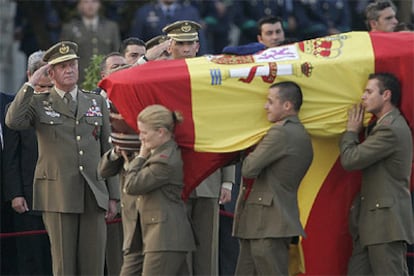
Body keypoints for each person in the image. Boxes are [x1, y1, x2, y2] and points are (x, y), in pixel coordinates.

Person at [5, 41, 119, 275]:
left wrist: (113, 195)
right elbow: (13, 121)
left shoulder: (95, 102)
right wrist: (31, 83)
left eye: (73, 65)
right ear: (51, 72)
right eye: (62, 66)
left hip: (93, 192)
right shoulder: (39, 102)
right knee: (64, 265)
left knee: (93, 264)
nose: (69, 70)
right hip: (58, 194)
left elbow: (108, 151)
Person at [163, 20, 235, 275]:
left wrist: (227, 180)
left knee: (207, 251)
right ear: (169, 46)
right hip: (172, 176)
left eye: (190, 43)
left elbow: (224, 127)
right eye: (179, 43)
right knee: (177, 251)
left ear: (197, 46)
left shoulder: (211, 76)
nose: (185, 49)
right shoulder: (158, 77)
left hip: (207, 175)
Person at [232, 81, 313, 275]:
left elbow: (249, 169)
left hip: (267, 221)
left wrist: (250, 147)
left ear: (287, 105)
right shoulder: (298, 132)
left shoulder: (280, 132)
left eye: (270, 101)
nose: (265, 106)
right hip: (267, 221)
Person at [339, 73, 414, 275]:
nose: (363, 97)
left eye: (369, 91)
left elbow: (350, 159)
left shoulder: (390, 129)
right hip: (371, 223)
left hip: (385, 225)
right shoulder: (380, 126)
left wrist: (351, 132)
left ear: (386, 95)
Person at [122, 104, 196, 274]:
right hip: (152, 235)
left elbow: (132, 186)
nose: (141, 138)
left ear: (161, 132)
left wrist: (140, 156)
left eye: (145, 133)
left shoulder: (165, 160)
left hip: (165, 237)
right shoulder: (160, 153)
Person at [2, 50, 53, 276]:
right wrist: (15, 194)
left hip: (58, 195)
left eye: (50, 87)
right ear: (30, 77)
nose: (45, 93)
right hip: (28, 196)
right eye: (41, 87)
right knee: (30, 257)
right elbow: (11, 157)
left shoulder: (64, 107)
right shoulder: (15, 110)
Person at [60, 0, 121, 86]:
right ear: (79, 5)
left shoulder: (111, 27)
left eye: (94, 1)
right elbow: (64, 57)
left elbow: (116, 54)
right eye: (86, 2)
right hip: (80, 81)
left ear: (99, 4)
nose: (90, 5)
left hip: (106, 80)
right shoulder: (69, 28)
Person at [129, 0, 207, 55]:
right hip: (154, 62)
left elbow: (200, 41)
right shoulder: (143, 12)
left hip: (183, 61)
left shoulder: (190, 12)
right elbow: (136, 42)